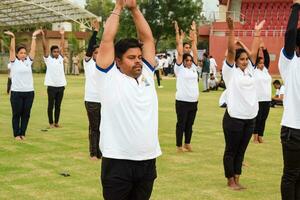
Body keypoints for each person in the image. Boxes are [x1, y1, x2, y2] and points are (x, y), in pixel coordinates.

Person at [94, 0, 162, 199]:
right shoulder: (108, 76)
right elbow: (107, 40)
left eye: (139, 56)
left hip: (147, 160)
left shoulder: (147, 74)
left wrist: (134, 9)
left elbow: (147, 39)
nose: (138, 61)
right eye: (131, 57)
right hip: (118, 161)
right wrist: (119, 7)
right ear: (118, 61)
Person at [222, 16, 264, 190]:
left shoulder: (251, 71)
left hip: (250, 118)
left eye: (246, 59)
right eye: (242, 59)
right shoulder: (230, 72)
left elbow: (254, 52)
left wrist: (257, 33)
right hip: (234, 118)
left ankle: (237, 179)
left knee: (242, 151)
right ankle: (230, 180)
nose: (245, 61)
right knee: (231, 150)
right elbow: (231, 51)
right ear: (235, 61)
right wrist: (232, 31)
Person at [279, 1, 300, 199]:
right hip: (293, 131)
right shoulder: (290, 62)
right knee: (291, 175)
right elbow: (290, 33)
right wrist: (296, 7)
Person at [4, 29, 42, 140]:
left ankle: (23, 133)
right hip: (16, 93)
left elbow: (33, 50)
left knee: (26, 114)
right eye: (21, 53)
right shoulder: (13, 62)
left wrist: (34, 37)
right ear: (17, 54)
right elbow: (11, 50)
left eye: (25, 53)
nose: (23, 54)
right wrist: (13, 37)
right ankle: (16, 134)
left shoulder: (28, 62)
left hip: (29, 92)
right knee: (17, 114)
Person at [174, 20, 199, 152]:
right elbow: (179, 53)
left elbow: (194, 51)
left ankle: (187, 143)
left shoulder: (194, 67)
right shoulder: (179, 68)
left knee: (190, 124)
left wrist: (194, 33)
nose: (189, 62)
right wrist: (179, 37)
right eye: (187, 60)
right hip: (182, 101)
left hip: (193, 101)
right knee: (181, 124)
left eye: (190, 60)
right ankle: (179, 145)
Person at [41, 28, 67, 128]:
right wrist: (43, 36)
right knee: (50, 105)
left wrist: (62, 35)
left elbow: (62, 46)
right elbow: (44, 48)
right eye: (54, 52)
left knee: (58, 106)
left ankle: (56, 123)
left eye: (57, 51)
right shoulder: (48, 59)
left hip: (61, 86)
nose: (56, 53)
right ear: (51, 52)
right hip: (51, 86)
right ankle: (51, 123)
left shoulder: (60, 58)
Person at [84, 20, 102, 160]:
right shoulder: (88, 63)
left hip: (104, 100)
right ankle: (93, 153)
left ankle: (101, 151)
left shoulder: (105, 65)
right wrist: (95, 32)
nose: (98, 54)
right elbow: (90, 47)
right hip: (91, 100)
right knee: (94, 127)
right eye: (96, 52)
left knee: (104, 127)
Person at [252, 41, 271, 144]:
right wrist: (259, 49)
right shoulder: (254, 71)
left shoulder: (265, 71)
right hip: (258, 99)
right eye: (260, 63)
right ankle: (254, 137)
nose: (262, 65)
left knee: (263, 119)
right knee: (257, 118)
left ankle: (260, 136)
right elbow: (254, 59)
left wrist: (265, 49)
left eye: (263, 63)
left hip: (267, 99)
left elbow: (267, 59)